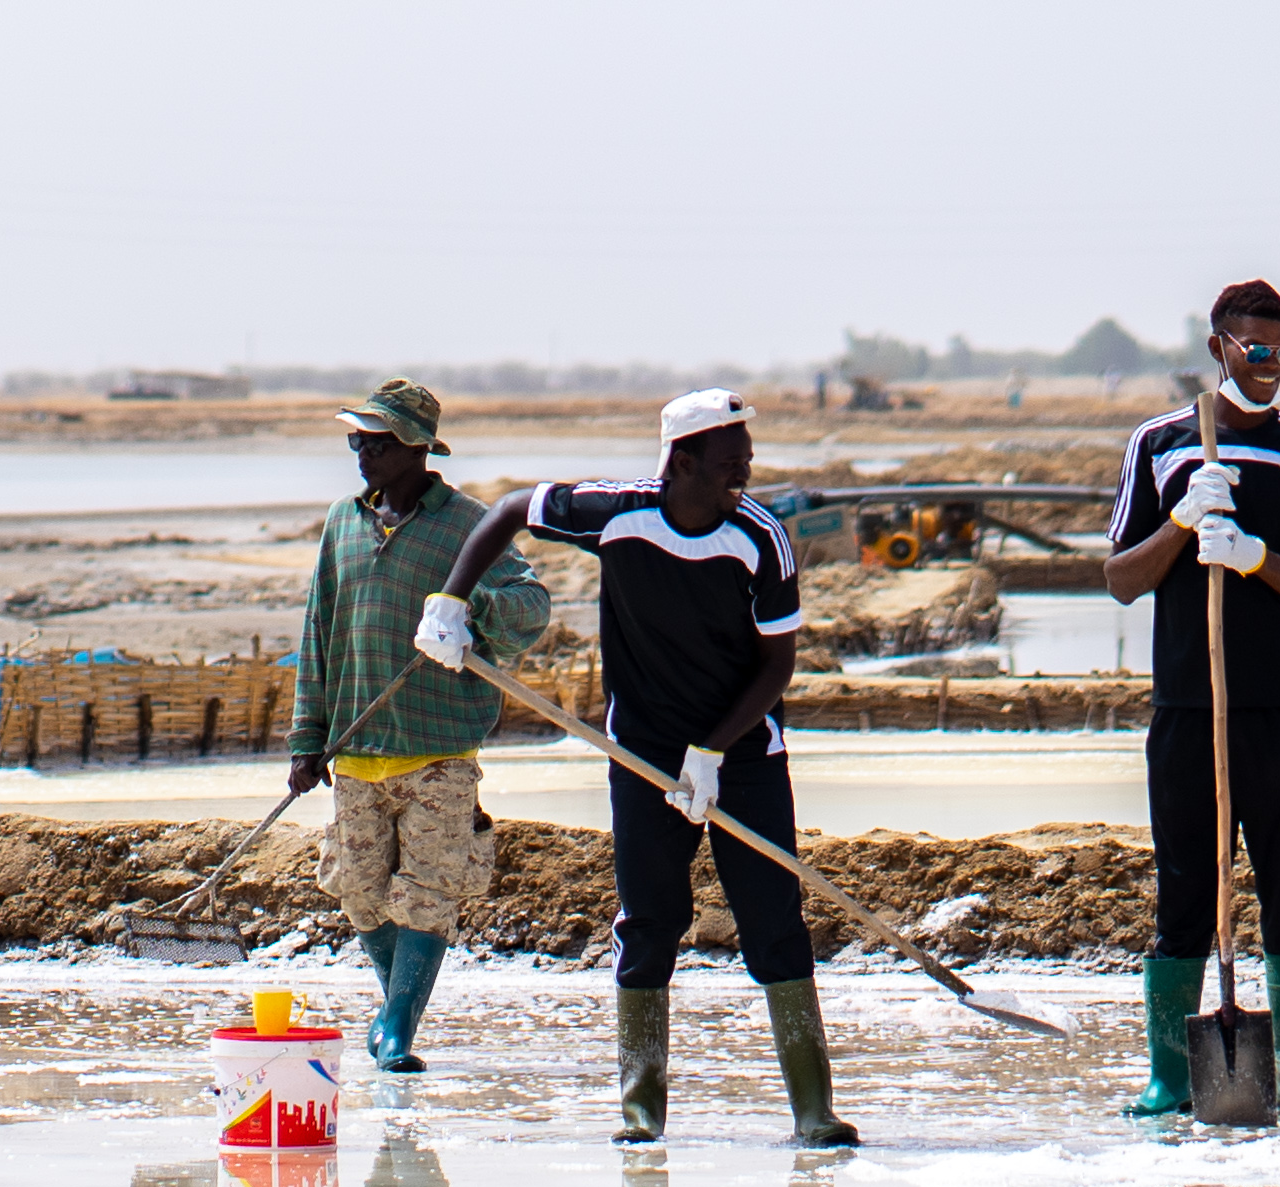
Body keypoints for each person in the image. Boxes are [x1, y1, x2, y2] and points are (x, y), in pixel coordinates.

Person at [426, 389, 855, 1147]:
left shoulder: (761, 539)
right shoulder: (614, 512)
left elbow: (776, 666)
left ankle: (813, 1110)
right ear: (680, 462)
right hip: (641, 754)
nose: (743, 477)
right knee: (649, 921)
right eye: (730, 464)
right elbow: (508, 510)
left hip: (745, 753)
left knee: (773, 923)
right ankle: (639, 1106)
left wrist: (714, 751)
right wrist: (449, 602)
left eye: (747, 461)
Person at [1102, 282, 1280, 1117]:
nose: (1271, 368)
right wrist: (1180, 522)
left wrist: (1254, 558)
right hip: (1186, 709)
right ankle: (1168, 1076)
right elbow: (1119, 581)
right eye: (1256, 352)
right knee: (1181, 898)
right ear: (1218, 347)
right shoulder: (1161, 444)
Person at [282, 375, 547, 1073]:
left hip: (438, 747)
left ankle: (397, 1026)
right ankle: (392, 1009)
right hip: (356, 747)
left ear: (416, 448)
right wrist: (306, 741)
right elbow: (320, 632)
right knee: (363, 895)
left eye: (375, 440)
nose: (360, 451)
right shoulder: (343, 521)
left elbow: (531, 606)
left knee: (428, 892)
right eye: (355, 439)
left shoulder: (467, 524)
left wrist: (471, 608)